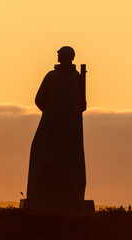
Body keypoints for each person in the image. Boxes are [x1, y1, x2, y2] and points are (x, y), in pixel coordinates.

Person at [25, 46, 86, 210]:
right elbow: (81, 104)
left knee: (40, 152)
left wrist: (51, 112)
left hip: (53, 126)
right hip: (69, 128)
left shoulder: (55, 77)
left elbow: (39, 99)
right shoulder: (76, 78)